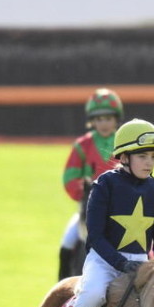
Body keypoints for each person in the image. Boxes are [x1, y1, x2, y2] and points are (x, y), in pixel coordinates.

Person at [54, 118, 154, 307]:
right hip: (104, 261)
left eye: (153, 156)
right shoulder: (104, 185)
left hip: (142, 264)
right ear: (124, 156)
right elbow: (95, 236)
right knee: (93, 295)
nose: (149, 162)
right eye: (142, 156)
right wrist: (120, 263)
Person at [58, 88, 123, 279]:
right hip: (88, 208)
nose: (103, 123)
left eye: (108, 118)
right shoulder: (82, 145)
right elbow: (69, 178)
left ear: (116, 119)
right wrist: (85, 195)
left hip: (121, 208)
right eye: (99, 119)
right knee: (67, 243)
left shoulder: (125, 143)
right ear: (92, 121)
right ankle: (62, 286)